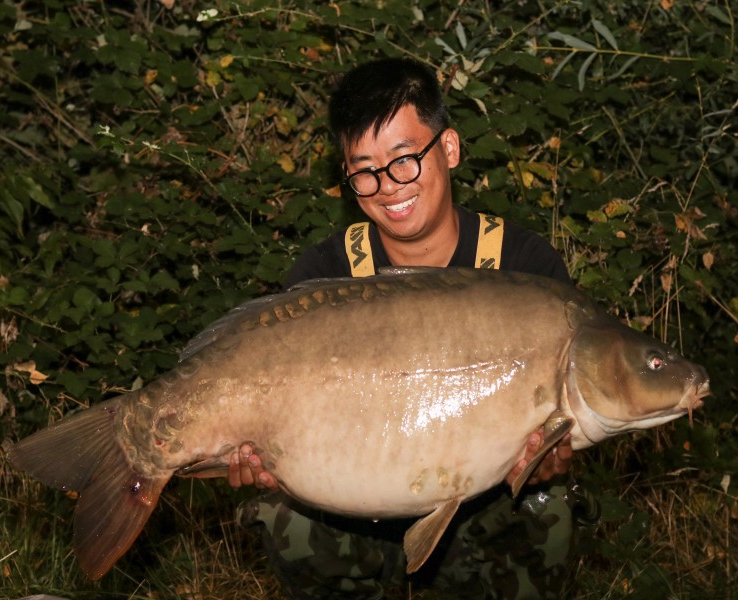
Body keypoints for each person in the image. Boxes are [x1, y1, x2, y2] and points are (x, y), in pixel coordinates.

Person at [229, 57, 598, 599]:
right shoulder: (325, 273)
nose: (387, 187)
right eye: (364, 171)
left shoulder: (523, 266)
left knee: (549, 508)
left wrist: (547, 462)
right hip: (351, 498)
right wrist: (260, 457)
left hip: (487, 499)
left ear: (448, 148)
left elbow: (553, 448)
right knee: (283, 513)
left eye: (404, 160)